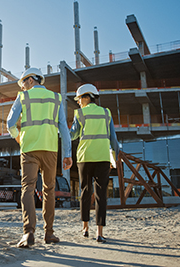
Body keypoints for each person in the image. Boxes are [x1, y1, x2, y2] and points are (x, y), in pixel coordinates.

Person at [7, 67, 72, 248]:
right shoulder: (56, 98)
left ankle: (28, 233)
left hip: (29, 149)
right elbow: (63, 128)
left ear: (30, 80)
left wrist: (18, 137)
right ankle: (49, 233)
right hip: (50, 149)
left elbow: (10, 123)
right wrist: (67, 154)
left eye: (23, 84)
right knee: (49, 190)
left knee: (27, 188)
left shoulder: (23, 97)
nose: (23, 88)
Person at [70, 83, 120, 243]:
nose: (78, 102)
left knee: (84, 192)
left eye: (79, 98)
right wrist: (114, 157)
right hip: (103, 158)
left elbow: (72, 136)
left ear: (86, 97)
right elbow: (113, 139)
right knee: (101, 195)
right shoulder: (106, 113)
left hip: (85, 158)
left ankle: (85, 228)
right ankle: (99, 232)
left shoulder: (79, 114)